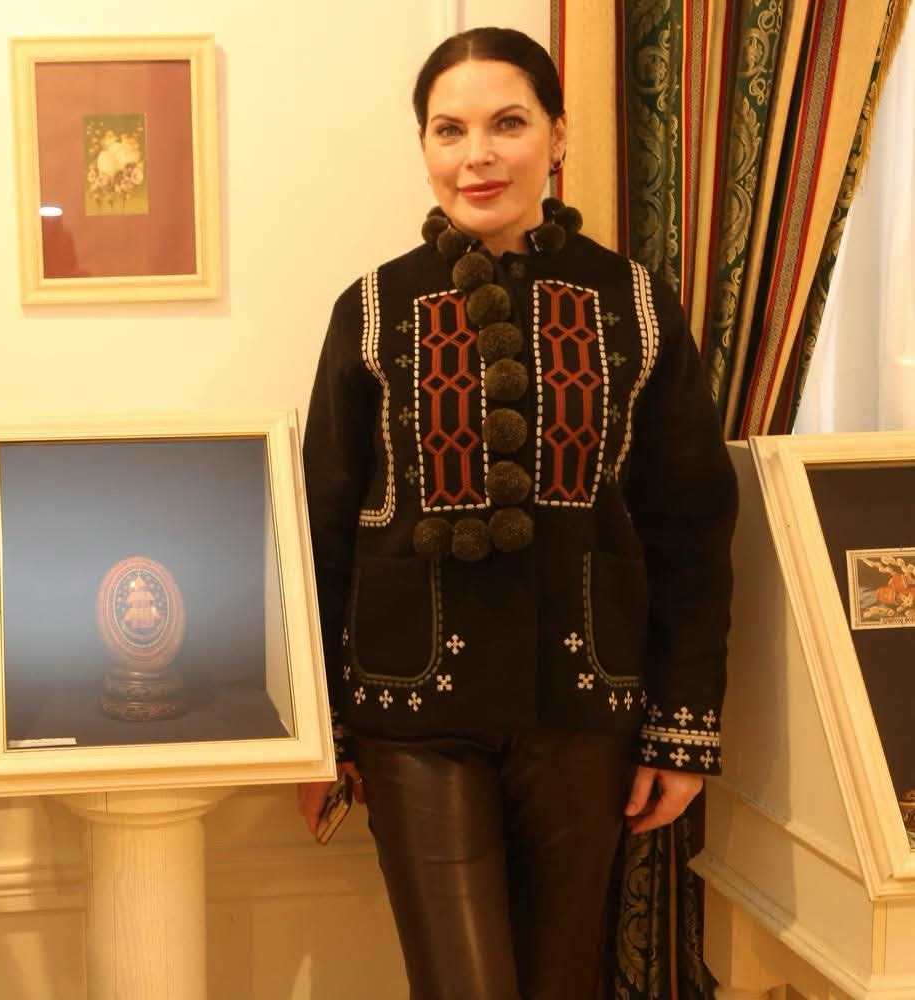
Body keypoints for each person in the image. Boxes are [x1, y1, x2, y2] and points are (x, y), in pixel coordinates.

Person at [297, 28, 737, 999]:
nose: (477, 155)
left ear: (557, 135)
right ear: (424, 145)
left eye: (507, 124)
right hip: (412, 714)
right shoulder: (370, 310)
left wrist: (682, 729)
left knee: (561, 984)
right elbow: (320, 529)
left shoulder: (636, 305)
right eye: (449, 130)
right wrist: (317, 729)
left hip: (585, 706)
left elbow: (690, 529)